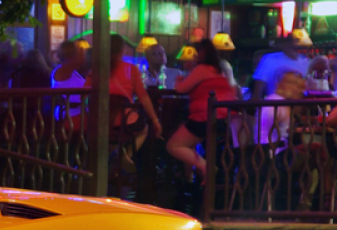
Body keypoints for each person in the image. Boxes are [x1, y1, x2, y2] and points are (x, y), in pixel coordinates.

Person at [166, 38, 237, 180]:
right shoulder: (219, 70)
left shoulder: (202, 69)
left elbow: (181, 89)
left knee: (173, 145)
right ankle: (196, 177)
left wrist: (179, 79)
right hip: (225, 118)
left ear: (201, 53)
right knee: (188, 144)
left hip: (205, 117)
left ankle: (206, 167)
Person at [88, 33, 162, 159]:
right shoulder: (131, 69)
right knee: (143, 129)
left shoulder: (96, 69)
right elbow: (143, 97)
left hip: (98, 121)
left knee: (107, 142)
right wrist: (155, 120)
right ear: (122, 50)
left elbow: (85, 94)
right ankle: (125, 157)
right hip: (123, 122)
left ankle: (110, 162)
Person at [250, 33, 309, 100]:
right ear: (283, 44)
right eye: (289, 41)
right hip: (274, 106)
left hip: (298, 106)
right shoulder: (270, 59)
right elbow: (258, 88)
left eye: (295, 42)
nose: (292, 45)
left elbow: (308, 89)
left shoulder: (306, 61)